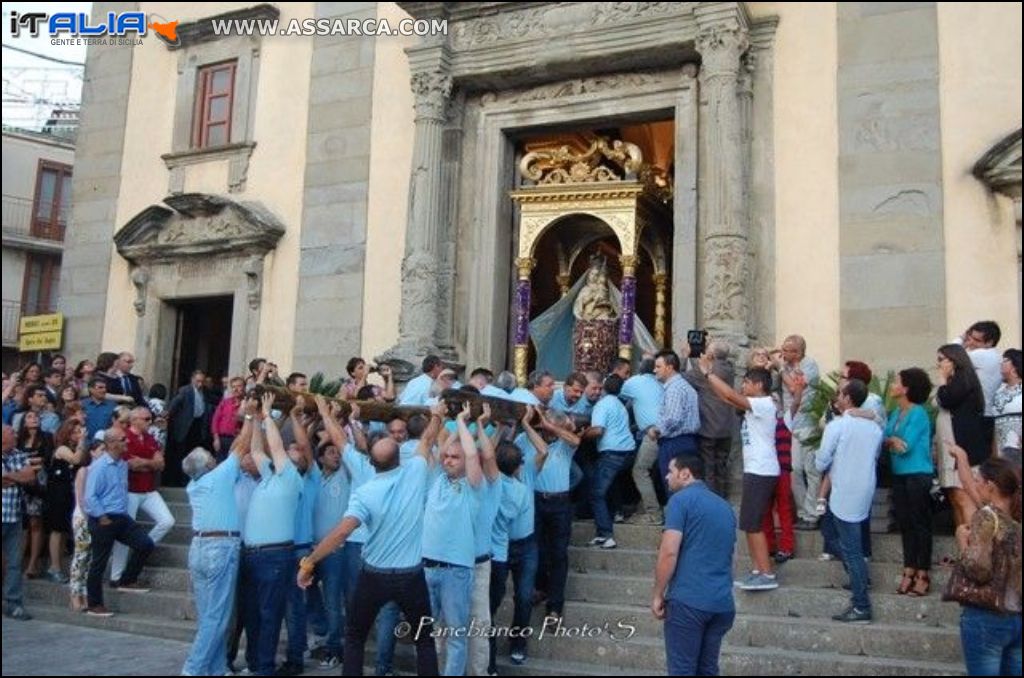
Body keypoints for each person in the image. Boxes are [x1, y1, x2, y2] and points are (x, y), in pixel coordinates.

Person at [699, 354, 780, 591]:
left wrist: (708, 373)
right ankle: (757, 569)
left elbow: (730, 395)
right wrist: (708, 378)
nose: (743, 386)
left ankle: (766, 573)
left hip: (762, 470)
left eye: (746, 382)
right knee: (748, 522)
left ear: (758, 385)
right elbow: (726, 397)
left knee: (752, 523)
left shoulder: (764, 404)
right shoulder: (754, 405)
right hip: (756, 469)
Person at [652, 455, 736, 675]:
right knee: (707, 670)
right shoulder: (725, 507)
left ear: (685, 473)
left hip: (688, 601)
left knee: (682, 670)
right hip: (722, 603)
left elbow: (669, 552)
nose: (667, 476)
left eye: (671, 471)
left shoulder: (679, 501)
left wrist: (658, 594)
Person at [945, 449, 1021, 677]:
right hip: (1016, 616)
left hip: (986, 616)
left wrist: (962, 543)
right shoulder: (1017, 522)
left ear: (991, 486)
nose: (975, 485)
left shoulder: (987, 517)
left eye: (979, 481)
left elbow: (978, 569)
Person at [815, 379, 883, 624]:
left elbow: (822, 461)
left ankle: (861, 603)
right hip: (864, 488)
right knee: (837, 537)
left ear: (847, 398)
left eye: (840, 394)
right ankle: (859, 578)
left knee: (850, 548)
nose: (837, 398)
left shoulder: (838, 426)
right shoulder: (874, 428)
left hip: (844, 490)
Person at [884, 368, 935, 597]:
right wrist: (891, 440)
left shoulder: (918, 413)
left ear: (906, 388)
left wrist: (892, 441)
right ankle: (908, 568)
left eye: (896, 381)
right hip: (900, 474)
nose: (893, 385)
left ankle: (923, 572)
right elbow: (885, 439)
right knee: (905, 523)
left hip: (917, 473)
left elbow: (905, 446)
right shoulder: (896, 413)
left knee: (919, 523)